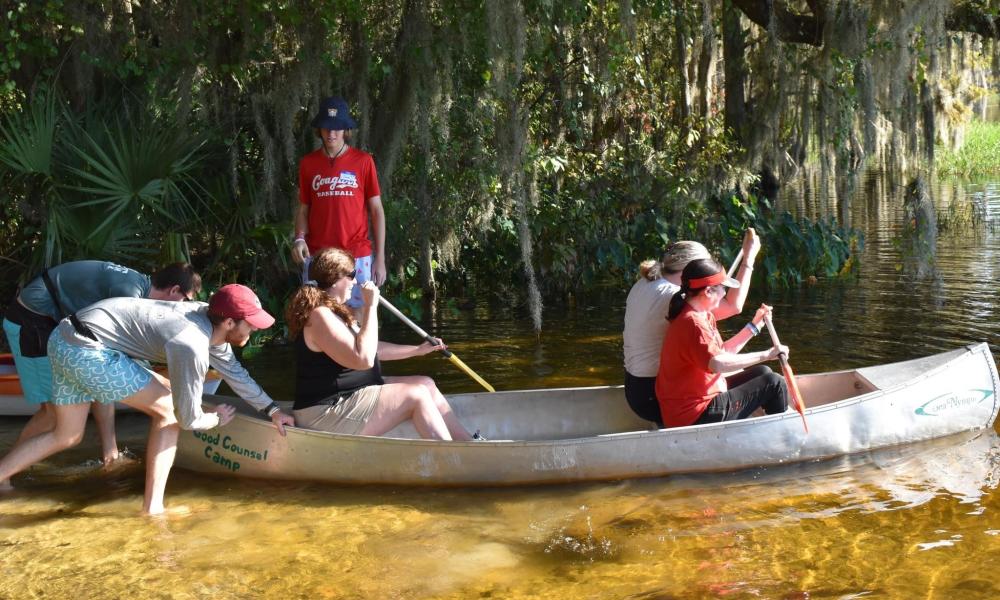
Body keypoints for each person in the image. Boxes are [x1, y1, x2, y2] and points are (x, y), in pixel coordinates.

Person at [0, 284, 295, 514]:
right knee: (168, 411)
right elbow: (188, 418)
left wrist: (271, 410)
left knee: (67, 435)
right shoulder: (190, 343)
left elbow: (236, 374)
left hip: (63, 339)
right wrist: (216, 418)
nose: (255, 329)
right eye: (251, 324)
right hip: (88, 350)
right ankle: (153, 508)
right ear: (229, 323)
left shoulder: (210, 319)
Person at [1, 261, 201, 477]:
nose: (184, 307)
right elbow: (125, 361)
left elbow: (105, 369)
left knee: (96, 378)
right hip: (32, 321)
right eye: (187, 300)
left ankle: (110, 453)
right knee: (51, 414)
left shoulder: (139, 288)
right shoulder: (129, 295)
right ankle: (7, 474)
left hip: (57, 327)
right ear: (174, 290)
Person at [284, 248, 477, 440]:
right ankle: (452, 458)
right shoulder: (320, 316)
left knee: (425, 383)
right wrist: (370, 306)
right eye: (351, 275)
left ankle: (468, 444)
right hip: (326, 410)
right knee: (416, 395)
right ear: (335, 280)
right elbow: (364, 359)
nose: (354, 281)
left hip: (355, 393)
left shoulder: (336, 311)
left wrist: (418, 350)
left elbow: (370, 347)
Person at [623, 230, 760, 426]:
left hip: (634, 389)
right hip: (653, 395)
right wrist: (749, 259)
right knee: (746, 375)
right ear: (691, 269)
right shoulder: (673, 297)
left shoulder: (644, 282)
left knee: (724, 366)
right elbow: (733, 306)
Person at [655, 258, 788, 428]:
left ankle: (765, 428)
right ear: (708, 291)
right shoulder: (693, 323)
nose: (725, 293)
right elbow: (718, 363)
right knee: (774, 383)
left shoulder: (702, 313)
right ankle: (781, 435)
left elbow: (722, 352)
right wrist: (766, 355)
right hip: (694, 415)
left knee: (763, 372)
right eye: (722, 288)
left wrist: (754, 326)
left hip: (702, 401)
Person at [291, 96, 386, 309]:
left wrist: (380, 259)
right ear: (319, 129)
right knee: (318, 317)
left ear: (345, 129)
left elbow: (377, 211)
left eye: (337, 128)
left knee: (362, 315)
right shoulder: (308, 164)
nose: (331, 133)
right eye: (326, 127)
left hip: (357, 255)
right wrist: (299, 238)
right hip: (319, 257)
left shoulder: (363, 161)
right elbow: (304, 209)